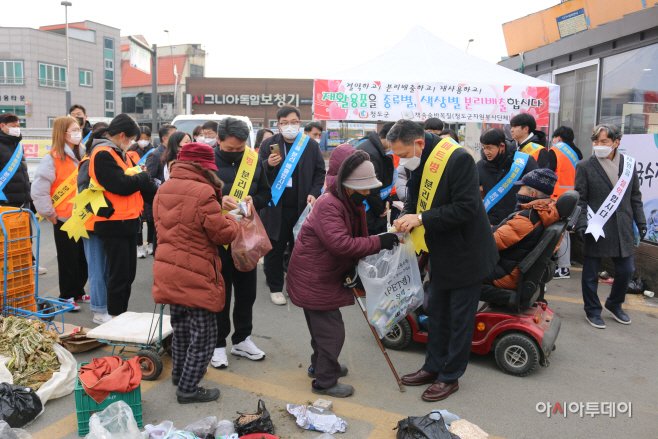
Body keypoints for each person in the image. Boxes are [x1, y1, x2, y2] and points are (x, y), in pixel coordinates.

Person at [390, 120, 498, 402]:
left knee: (459, 319)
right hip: (439, 251)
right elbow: (415, 197)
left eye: (402, 155)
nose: (401, 161)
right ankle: (432, 366)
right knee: (436, 313)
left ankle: (450, 377)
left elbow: (465, 207)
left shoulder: (458, 158)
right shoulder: (418, 159)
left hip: (466, 253)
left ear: (419, 143)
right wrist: (407, 217)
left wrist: (421, 218)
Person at [287, 145, 399, 397]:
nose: (368, 191)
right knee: (332, 333)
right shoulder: (330, 204)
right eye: (363, 186)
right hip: (314, 279)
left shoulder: (347, 200)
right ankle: (325, 381)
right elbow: (341, 244)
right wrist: (379, 241)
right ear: (346, 183)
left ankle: (321, 366)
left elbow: (352, 240)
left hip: (319, 275)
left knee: (322, 331)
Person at [152, 142, 239, 404]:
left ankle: (180, 375)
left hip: (168, 268)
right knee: (204, 333)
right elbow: (221, 233)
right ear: (204, 167)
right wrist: (233, 218)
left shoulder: (164, 188)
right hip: (196, 271)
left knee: (181, 329)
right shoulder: (202, 192)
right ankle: (188, 388)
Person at [209, 117, 272, 369]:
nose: (236, 153)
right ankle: (216, 344)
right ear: (218, 141)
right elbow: (193, 200)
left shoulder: (252, 160)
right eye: (230, 149)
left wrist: (252, 200)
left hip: (246, 238)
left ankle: (242, 339)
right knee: (220, 295)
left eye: (240, 148)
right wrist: (218, 201)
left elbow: (266, 194)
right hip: (218, 240)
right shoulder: (206, 162)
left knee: (247, 293)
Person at [574, 124, 646, 329]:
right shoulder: (585, 166)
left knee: (626, 270)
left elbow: (635, 197)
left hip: (622, 227)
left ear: (616, 142)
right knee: (590, 274)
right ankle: (592, 310)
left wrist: (640, 222)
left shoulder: (629, 165)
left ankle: (614, 305)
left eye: (604, 141)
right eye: (595, 141)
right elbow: (581, 199)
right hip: (597, 226)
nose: (598, 145)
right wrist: (581, 224)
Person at [88, 114, 157, 316]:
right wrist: (144, 176)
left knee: (128, 275)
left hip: (128, 221)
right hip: (112, 222)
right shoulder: (102, 154)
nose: (135, 142)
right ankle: (115, 316)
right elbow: (121, 186)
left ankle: (121, 314)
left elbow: (139, 186)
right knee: (118, 276)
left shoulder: (120, 153)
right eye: (133, 138)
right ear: (121, 135)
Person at [258, 106, 326, 306]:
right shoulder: (268, 144)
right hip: (274, 206)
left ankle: (298, 286)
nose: (290, 126)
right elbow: (258, 173)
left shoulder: (310, 145)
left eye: (294, 122)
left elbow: (319, 172)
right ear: (278, 125)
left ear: (300, 123)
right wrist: (268, 165)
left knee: (301, 249)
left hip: (301, 207)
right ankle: (275, 288)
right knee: (275, 249)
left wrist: (314, 193)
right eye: (285, 122)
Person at [31, 116, 88, 311]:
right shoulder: (52, 158)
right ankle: (67, 296)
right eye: (73, 129)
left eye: (78, 129)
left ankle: (79, 291)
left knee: (82, 257)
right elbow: (39, 189)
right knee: (68, 259)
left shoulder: (82, 154)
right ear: (62, 133)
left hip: (82, 217)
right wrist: (49, 213)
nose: (77, 133)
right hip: (63, 217)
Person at [481, 169, 559, 304]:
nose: (517, 193)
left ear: (532, 194)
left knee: (454, 270)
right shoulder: (545, 211)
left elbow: (490, 243)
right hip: (513, 269)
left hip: (506, 274)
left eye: (521, 188)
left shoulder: (528, 218)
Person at [0, 113, 47, 276]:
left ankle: (29, 263)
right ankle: (8, 266)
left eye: (17, 124)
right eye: (12, 125)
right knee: (8, 236)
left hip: (23, 198)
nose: (16, 128)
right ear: (2, 126)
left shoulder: (17, 145)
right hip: (5, 200)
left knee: (25, 234)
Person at [77, 122, 112, 324]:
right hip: (91, 223)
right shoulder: (89, 160)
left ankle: (104, 307)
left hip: (104, 222)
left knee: (105, 267)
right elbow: (84, 193)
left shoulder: (101, 158)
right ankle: (99, 310)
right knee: (97, 267)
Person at [477, 128, 538, 226]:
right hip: (492, 224)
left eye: (489, 148)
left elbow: (538, 189)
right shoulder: (480, 166)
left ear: (502, 146)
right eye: (483, 148)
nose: (486, 152)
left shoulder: (524, 161)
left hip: (519, 221)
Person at [548, 126, 583, 279]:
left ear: (559, 138)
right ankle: (563, 266)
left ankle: (562, 267)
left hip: (556, 198)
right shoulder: (577, 154)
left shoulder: (556, 151)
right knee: (564, 232)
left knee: (558, 232)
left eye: (554, 138)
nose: (553, 141)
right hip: (572, 197)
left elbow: (548, 173)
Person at [356, 124, 395, 235]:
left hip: (370, 208)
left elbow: (383, 180)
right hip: (368, 211)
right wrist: (380, 209)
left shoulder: (375, 148)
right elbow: (372, 187)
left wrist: (388, 200)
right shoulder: (371, 153)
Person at [129, 126, 155, 258]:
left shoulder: (153, 150)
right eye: (140, 138)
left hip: (148, 187)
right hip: (136, 187)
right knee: (138, 219)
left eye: (146, 138)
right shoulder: (131, 151)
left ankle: (151, 243)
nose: (143, 141)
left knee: (151, 218)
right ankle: (139, 246)